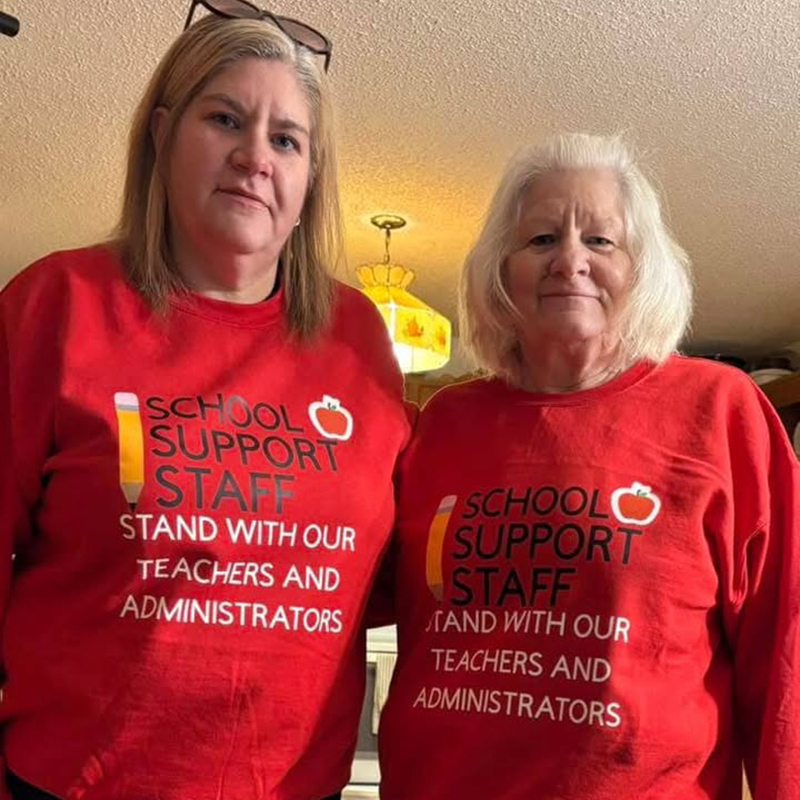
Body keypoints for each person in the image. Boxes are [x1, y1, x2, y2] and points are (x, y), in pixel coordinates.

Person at [0, 5, 411, 800]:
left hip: (294, 786)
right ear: (161, 135)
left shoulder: (357, 336)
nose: (256, 157)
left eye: (287, 140)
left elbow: (389, 562)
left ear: (309, 179)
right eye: (226, 119)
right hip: (73, 783)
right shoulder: (56, 304)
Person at [377, 133, 800, 799]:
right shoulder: (444, 422)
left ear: (641, 268)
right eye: (542, 239)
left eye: (600, 241)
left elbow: (786, 648)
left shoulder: (720, 410)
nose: (569, 260)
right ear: (501, 269)